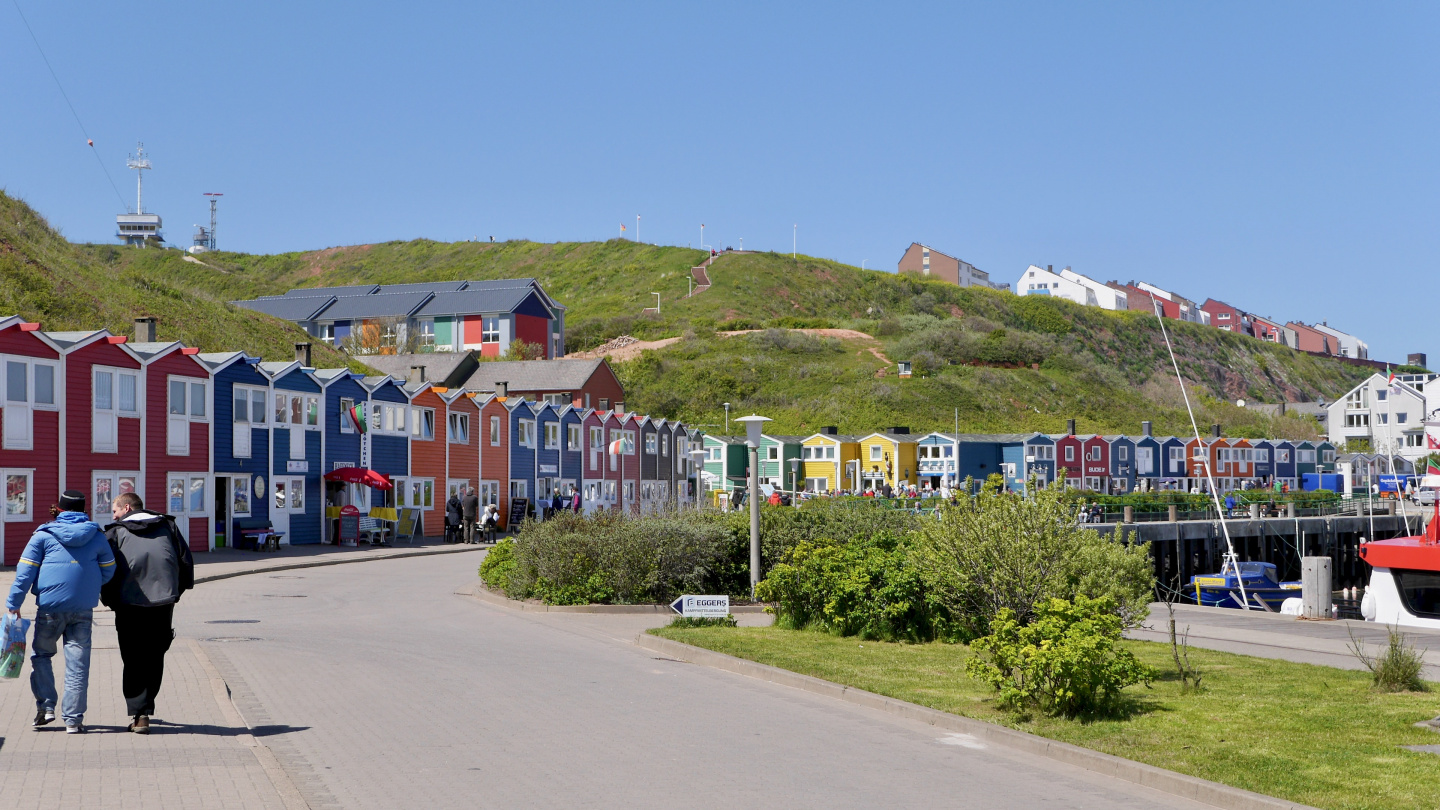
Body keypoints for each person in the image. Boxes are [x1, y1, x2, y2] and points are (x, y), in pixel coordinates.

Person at [6, 490, 116, 734]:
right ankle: (73, 721)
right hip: (83, 610)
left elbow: (24, 574)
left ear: (61, 509)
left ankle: (46, 708)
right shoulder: (97, 536)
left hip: (49, 608)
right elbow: (109, 570)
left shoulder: (43, 535)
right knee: (78, 665)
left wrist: (13, 603)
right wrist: (90, 588)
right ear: (84, 510)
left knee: (42, 655)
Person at [101, 493, 194, 734]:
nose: (113, 515)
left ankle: (139, 713)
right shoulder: (168, 526)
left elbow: (107, 571)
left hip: (128, 605)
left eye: (115, 510)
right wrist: (174, 594)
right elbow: (185, 563)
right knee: (155, 655)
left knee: (132, 657)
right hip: (163, 603)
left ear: (127, 507)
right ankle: (145, 709)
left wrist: (112, 602)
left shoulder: (116, 532)